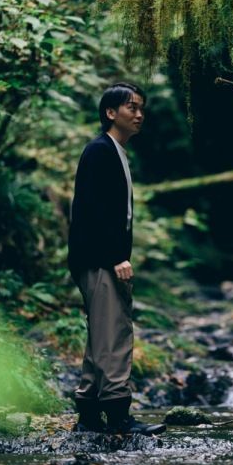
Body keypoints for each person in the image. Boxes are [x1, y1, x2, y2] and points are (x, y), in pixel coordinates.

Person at [67, 82, 166, 436]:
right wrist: (114, 258)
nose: (139, 114)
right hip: (99, 259)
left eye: (141, 108)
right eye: (131, 107)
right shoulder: (100, 151)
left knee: (101, 337)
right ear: (111, 113)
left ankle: (90, 415)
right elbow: (93, 211)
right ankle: (118, 415)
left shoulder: (114, 150)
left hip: (95, 258)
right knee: (115, 334)